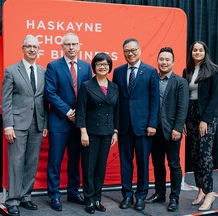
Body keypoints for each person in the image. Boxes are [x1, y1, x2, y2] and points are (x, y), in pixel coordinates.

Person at [44, 32, 92, 211]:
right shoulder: (53, 66)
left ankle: (73, 192)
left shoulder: (87, 67)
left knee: (75, 159)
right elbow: (50, 93)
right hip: (59, 121)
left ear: (79, 46)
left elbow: (89, 93)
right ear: (62, 47)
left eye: (74, 44)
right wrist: (67, 112)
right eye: (68, 44)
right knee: (55, 160)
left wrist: (78, 115)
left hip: (79, 122)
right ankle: (54, 195)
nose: (71, 47)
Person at [1, 34, 48, 216]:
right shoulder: (11, 71)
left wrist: (45, 123)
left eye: (35, 47)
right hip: (17, 125)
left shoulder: (43, 71)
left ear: (38, 49)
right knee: (16, 163)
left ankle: (26, 197)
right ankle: (12, 200)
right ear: (23, 48)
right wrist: (8, 126)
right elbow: (6, 101)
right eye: (28, 46)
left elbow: (44, 100)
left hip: (37, 124)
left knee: (31, 163)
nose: (32, 49)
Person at [112, 38, 159, 211]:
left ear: (139, 50)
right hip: (124, 127)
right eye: (126, 51)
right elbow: (116, 102)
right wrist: (115, 127)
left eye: (133, 50)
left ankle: (140, 196)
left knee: (142, 163)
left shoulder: (150, 71)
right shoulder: (118, 72)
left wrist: (152, 123)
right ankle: (127, 195)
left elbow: (155, 101)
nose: (130, 54)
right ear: (123, 52)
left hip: (144, 127)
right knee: (125, 163)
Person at [145, 47, 189, 212]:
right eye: (161, 59)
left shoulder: (180, 82)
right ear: (157, 60)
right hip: (154, 130)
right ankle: (160, 193)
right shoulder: (152, 79)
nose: (164, 62)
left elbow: (182, 107)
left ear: (173, 62)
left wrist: (177, 128)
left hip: (172, 131)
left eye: (167, 60)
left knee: (174, 165)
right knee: (157, 164)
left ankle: (174, 198)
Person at [76, 53, 119, 214]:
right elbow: (80, 111)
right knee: (89, 168)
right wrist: (83, 132)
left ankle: (97, 199)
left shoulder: (115, 87)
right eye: (99, 64)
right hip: (90, 133)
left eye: (106, 64)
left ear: (109, 67)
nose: (103, 67)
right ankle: (89, 200)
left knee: (101, 168)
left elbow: (117, 112)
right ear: (94, 67)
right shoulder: (86, 85)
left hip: (107, 133)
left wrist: (115, 131)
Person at [183, 41, 218, 211]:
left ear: (205, 52)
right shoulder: (187, 71)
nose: (197, 52)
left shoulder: (213, 71)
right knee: (195, 154)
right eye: (194, 50)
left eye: (200, 50)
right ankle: (200, 190)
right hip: (190, 114)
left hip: (207, 115)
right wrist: (184, 120)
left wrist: (204, 120)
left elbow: (214, 98)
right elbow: (185, 96)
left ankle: (209, 193)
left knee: (205, 154)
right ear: (191, 53)